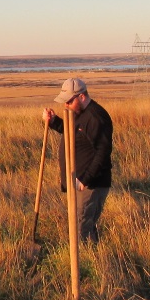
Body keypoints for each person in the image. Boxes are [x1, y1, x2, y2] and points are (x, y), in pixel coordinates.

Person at [43, 77, 114, 242]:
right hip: (78, 181)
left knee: (81, 228)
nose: (65, 105)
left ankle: (85, 264)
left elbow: (103, 152)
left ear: (81, 96)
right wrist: (54, 122)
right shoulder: (78, 113)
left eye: (68, 101)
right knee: (84, 225)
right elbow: (73, 133)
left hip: (90, 184)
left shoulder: (96, 117)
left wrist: (85, 179)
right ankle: (93, 259)